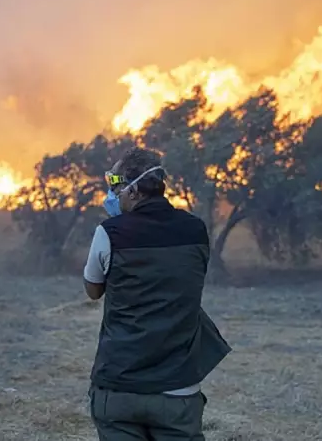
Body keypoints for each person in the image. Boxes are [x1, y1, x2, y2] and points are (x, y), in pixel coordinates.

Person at [83, 147, 232, 441]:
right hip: (178, 391)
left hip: (119, 389)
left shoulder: (109, 232)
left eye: (116, 185)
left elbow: (93, 290)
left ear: (134, 190)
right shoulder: (196, 230)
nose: (113, 194)